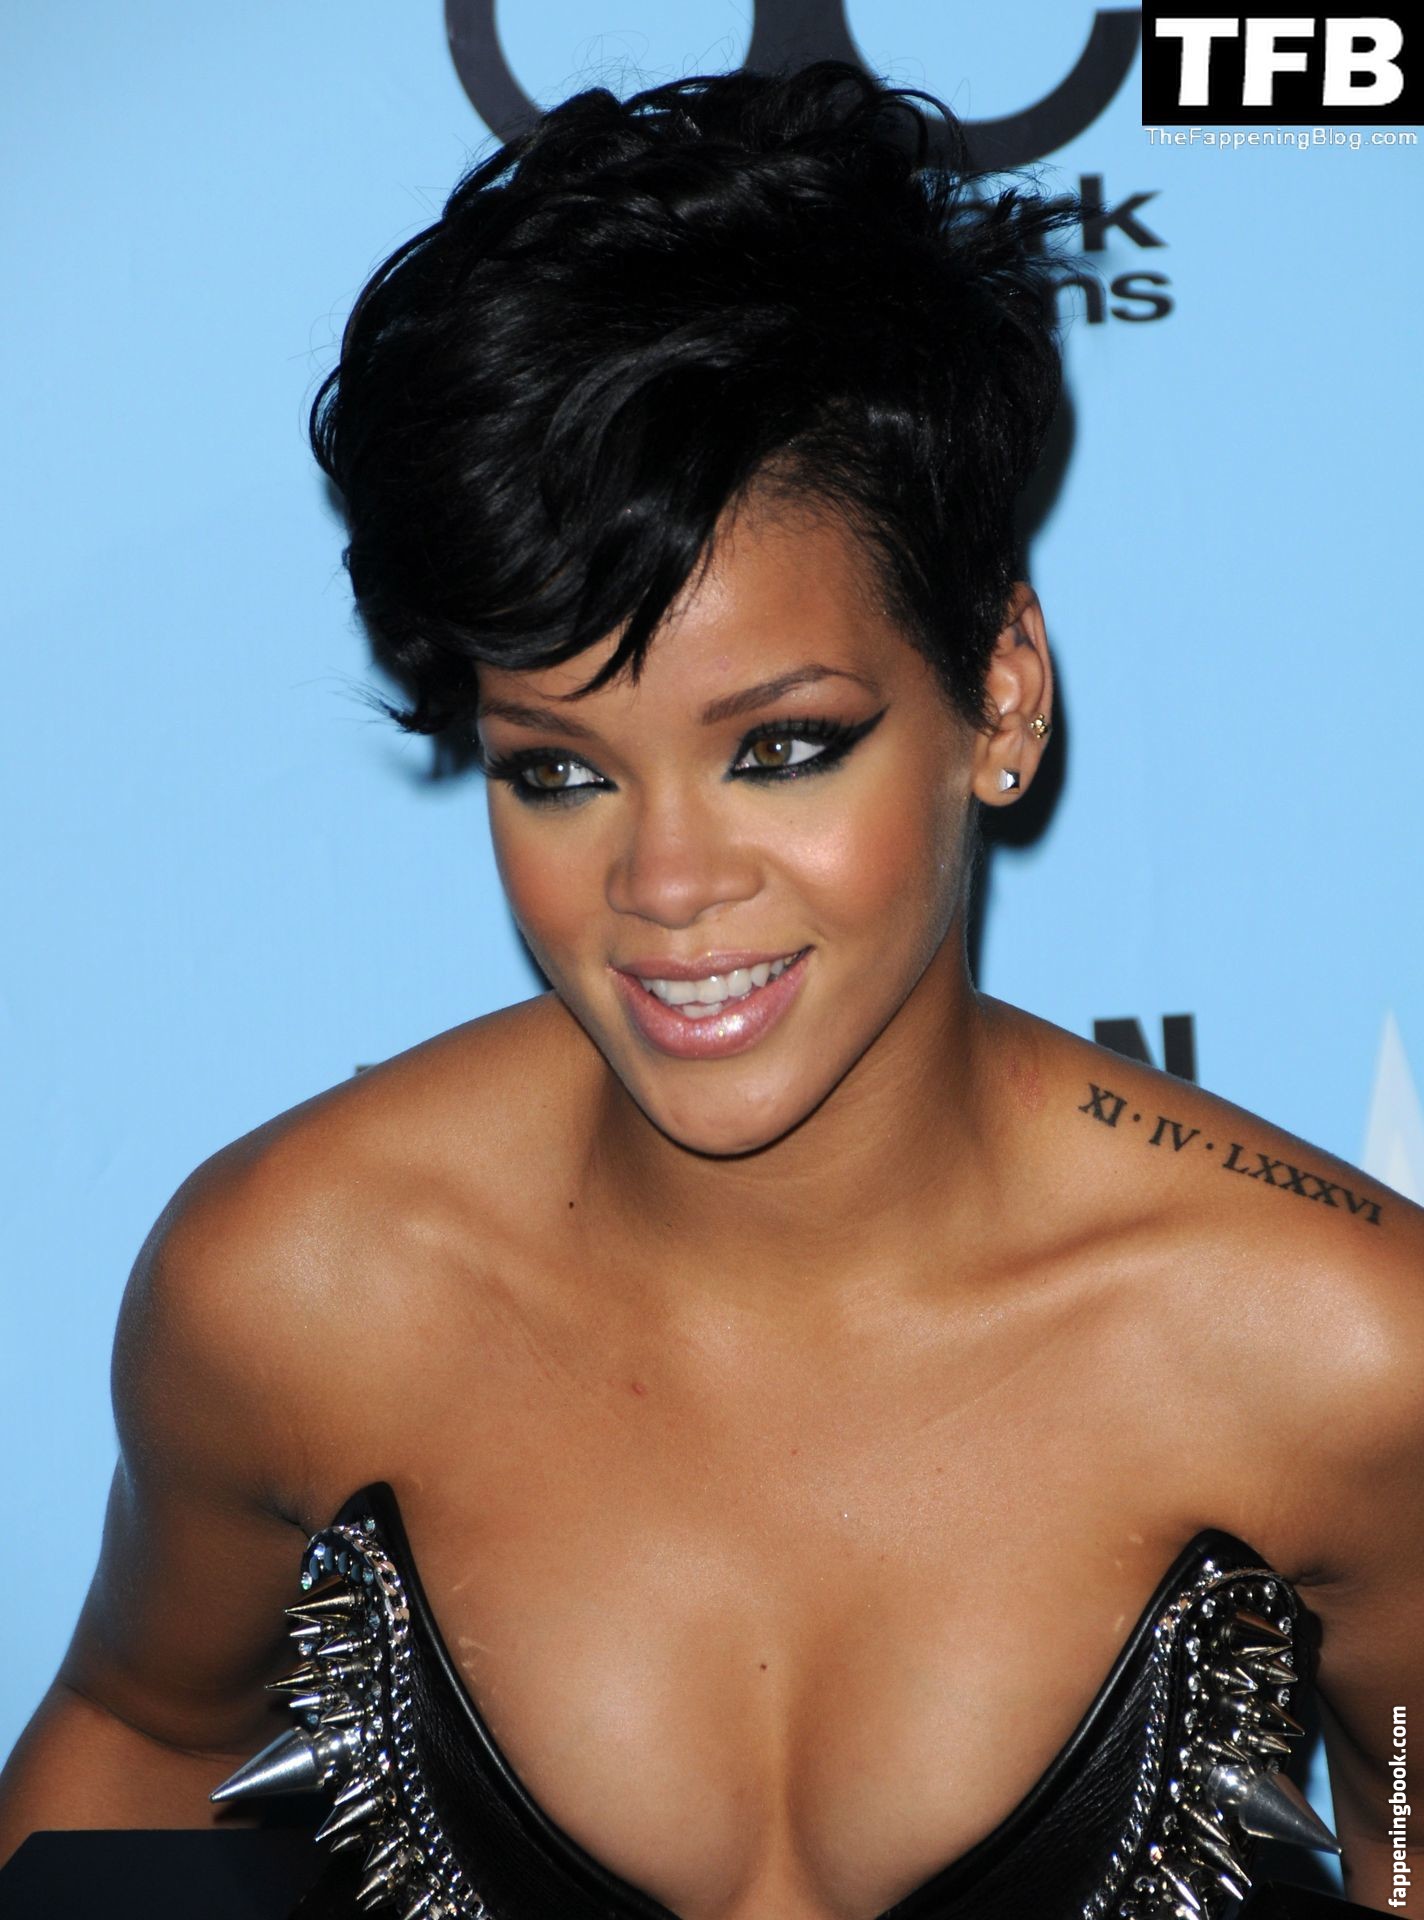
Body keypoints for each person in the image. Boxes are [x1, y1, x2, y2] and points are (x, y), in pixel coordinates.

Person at [0, 59, 1419, 1920]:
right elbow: (135, 1734)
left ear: (999, 695)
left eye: (783, 748)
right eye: (558, 771)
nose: (665, 888)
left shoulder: (1342, 1354)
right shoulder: (295, 1287)